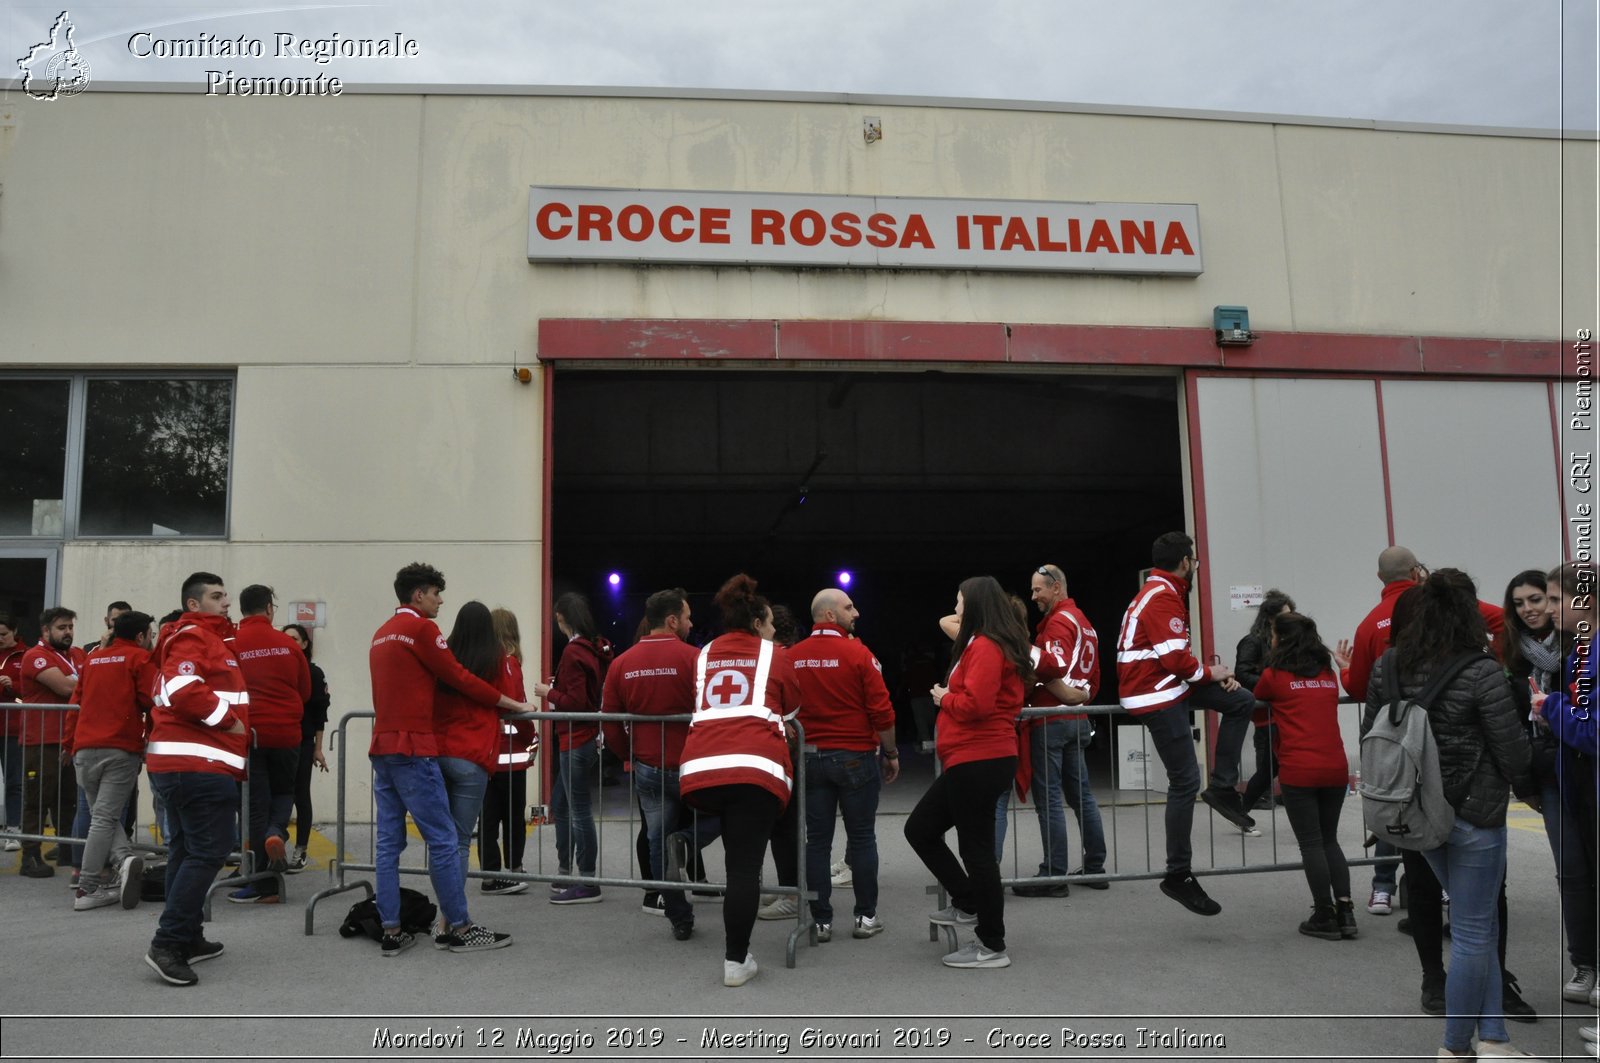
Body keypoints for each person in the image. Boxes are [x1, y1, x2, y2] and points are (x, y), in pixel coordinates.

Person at [1365, 571, 1537, 1061]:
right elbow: (1512, 751)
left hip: (1414, 816)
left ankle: (1495, 1039)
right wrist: (1531, 788)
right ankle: (1457, 1047)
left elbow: (1371, 734)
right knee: (1474, 932)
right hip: (1473, 815)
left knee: (1473, 930)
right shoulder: (1482, 671)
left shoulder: (1387, 667)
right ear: (1466, 617)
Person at [1335, 546, 1507, 916]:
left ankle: (1383, 888)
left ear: (1380, 579)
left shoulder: (1370, 624)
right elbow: (1506, 620)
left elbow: (1362, 687)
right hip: (1453, 747)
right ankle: (1451, 890)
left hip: (1399, 739)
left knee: (1397, 807)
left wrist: (1345, 670)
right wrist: (1502, 663)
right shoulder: (1445, 608)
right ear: (1416, 572)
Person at [368, 562, 526, 956]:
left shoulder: (381, 633)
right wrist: (506, 701)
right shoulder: (421, 629)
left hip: (383, 746)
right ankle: (460, 927)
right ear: (418, 595)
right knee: (445, 840)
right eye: (436, 593)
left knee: (388, 844)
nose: (440, 601)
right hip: (413, 747)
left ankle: (390, 930)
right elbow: (457, 676)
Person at [1115, 531, 1254, 916]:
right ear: (1185, 561)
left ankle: (1223, 787)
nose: (1195, 565)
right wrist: (1211, 671)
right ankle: (1178, 874)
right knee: (1185, 781)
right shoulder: (1162, 596)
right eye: (1193, 560)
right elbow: (1176, 661)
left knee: (1241, 699)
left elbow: (1177, 660)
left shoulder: (1162, 591)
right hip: (1155, 693)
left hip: (1167, 685)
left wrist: (1211, 675)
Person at [678, 574, 800, 987]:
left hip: (702, 769)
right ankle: (735, 961)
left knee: (735, 853)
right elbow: (794, 705)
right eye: (767, 624)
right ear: (756, 624)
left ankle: (687, 838)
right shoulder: (774, 655)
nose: (771, 631)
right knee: (744, 869)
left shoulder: (705, 653)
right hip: (754, 768)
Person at [907, 575, 1032, 970]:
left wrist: (946, 698)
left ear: (974, 605)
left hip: (978, 758)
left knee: (976, 852)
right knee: (921, 829)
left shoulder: (986, 646)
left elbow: (976, 705)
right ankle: (969, 904)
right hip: (973, 758)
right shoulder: (986, 642)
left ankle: (991, 943)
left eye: (960, 600)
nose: (956, 607)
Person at [143, 572, 247, 985]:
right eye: (217, 596)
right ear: (193, 604)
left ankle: (187, 937)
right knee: (208, 852)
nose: (226, 602)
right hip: (198, 765)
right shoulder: (194, 637)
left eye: (226, 595)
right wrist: (229, 720)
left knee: (187, 852)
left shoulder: (198, 637)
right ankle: (167, 943)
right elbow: (185, 687)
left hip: (188, 764)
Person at [790, 587, 899, 942]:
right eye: (850, 607)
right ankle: (865, 918)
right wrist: (892, 753)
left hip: (810, 758)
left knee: (816, 843)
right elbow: (881, 711)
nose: (857, 613)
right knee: (862, 837)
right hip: (855, 758)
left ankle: (820, 921)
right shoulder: (859, 654)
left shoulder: (792, 657)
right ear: (830, 616)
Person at [601, 587, 700, 940]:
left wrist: (628, 752)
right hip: (692, 765)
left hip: (648, 767)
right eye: (687, 616)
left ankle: (678, 916)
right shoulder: (694, 658)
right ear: (672, 620)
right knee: (719, 819)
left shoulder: (622, 663)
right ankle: (689, 848)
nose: (691, 623)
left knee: (658, 839)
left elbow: (609, 721)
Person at [1252, 611, 1353, 939]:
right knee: (1330, 840)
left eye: (1273, 634)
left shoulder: (1274, 675)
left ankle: (1324, 914)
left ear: (1280, 638)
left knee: (1310, 843)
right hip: (1335, 766)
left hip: (1299, 769)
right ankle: (1346, 911)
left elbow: (1256, 700)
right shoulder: (1327, 674)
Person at [1009, 564, 1107, 895]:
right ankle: (1095, 868)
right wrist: (1081, 697)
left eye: (1038, 589)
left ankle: (1053, 874)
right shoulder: (1085, 623)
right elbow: (1093, 676)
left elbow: (1054, 665)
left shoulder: (1059, 622)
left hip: (1051, 719)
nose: (1033, 595)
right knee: (1082, 797)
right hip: (1078, 716)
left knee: (1049, 799)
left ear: (1057, 588)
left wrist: (1026, 666)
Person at [1531, 563, 1600, 1009]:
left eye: (1556, 600)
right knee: (1577, 877)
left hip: (1587, 777)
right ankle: (1586, 963)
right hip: (1576, 781)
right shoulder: (1578, 652)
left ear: (1585, 601)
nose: (1548, 609)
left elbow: (1592, 731)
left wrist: (1549, 706)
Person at [68, 609, 155, 911]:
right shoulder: (140, 659)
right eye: (150, 635)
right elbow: (150, 699)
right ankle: (87, 888)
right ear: (141, 636)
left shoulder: (93, 658)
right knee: (104, 818)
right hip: (119, 747)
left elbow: (75, 702)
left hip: (84, 747)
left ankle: (123, 860)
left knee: (100, 814)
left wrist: (69, 744)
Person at [228, 585, 310, 903]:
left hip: (250, 734)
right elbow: (303, 690)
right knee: (285, 791)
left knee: (253, 807)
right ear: (269, 609)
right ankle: (277, 831)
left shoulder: (232, 644)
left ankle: (260, 880)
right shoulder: (287, 644)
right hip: (287, 732)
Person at [433, 601, 520, 897]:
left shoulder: (444, 653)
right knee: (459, 840)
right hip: (473, 755)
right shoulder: (494, 657)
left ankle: (444, 908)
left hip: (441, 751)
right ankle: (453, 915)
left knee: (442, 840)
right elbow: (503, 696)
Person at [531, 591, 613, 905]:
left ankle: (587, 880)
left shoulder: (574, 652)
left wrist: (549, 691)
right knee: (562, 806)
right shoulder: (593, 649)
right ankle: (567, 870)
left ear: (562, 619)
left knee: (577, 811)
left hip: (575, 739)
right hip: (584, 738)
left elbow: (577, 702)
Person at [18, 606, 82, 879]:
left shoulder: (76, 655)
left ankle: (67, 850)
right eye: (61, 628)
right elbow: (67, 688)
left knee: (67, 799)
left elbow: (79, 682)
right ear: (45, 631)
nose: (68, 632)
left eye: (70, 627)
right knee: (37, 799)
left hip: (68, 738)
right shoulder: (36, 656)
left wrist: (77, 678)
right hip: (41, 739)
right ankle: (30, 855)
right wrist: (79, 679)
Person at [478, 607, 533, 895]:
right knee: (513, 815)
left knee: (487, 817)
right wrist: (532, 740)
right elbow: (518, 707)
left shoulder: (484, 663)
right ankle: (514, 867)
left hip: (486, 755)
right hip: (511, 756)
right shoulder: (510, 664)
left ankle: (489, 872)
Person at [1236, 589, 1296, 821]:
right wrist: (1271, 685)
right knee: (1269, 765)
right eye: (1285, 615)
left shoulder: (1287, 641)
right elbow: (1243, 672)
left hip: (1283, 710)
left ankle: (1245, 808)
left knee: (1279, 765)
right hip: (1266, 712)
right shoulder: (1252, 641)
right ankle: (1246, 807)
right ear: (1270, 618)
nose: (1290, 619)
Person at [279, 623, 329, 873]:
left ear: (305, 644)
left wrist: (318, 748)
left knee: (301, 794)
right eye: (285, 638)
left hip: (303, 741)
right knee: (278, 795)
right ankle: (276, 843)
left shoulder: (313, 673)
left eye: (295, 638)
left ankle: (301, 849)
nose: (289, 642)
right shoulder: (277, 670)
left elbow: (320, 714)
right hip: (279, 740)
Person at [1, 613, 26, 849]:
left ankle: (13, 829)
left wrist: (13, 687)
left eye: (3, 634)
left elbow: (29, 693)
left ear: (14, 631)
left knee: (13, 780)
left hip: (11, 728)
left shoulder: (25, 655)